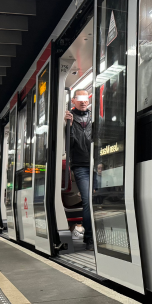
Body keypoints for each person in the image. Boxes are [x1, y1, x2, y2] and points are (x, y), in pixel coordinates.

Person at [64, 90, 94, 251]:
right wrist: (68, 126)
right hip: (80, 166)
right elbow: (69, 145)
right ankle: (89, 238)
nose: (84, 101)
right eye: (80, 99)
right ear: (74, 101)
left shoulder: (94, 118)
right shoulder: (70, 119)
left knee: (99, 200)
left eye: (86, 98)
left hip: (97, 164)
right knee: (88, 200)